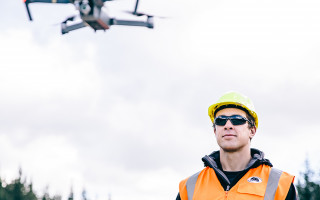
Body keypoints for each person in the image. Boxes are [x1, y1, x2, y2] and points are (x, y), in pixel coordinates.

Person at [176, 91, 298, 200]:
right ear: (215, 131)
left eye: (237, 119)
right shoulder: (189, 188)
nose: (228, 125)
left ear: (252, 130)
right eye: (220, 120)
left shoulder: (280, 184)